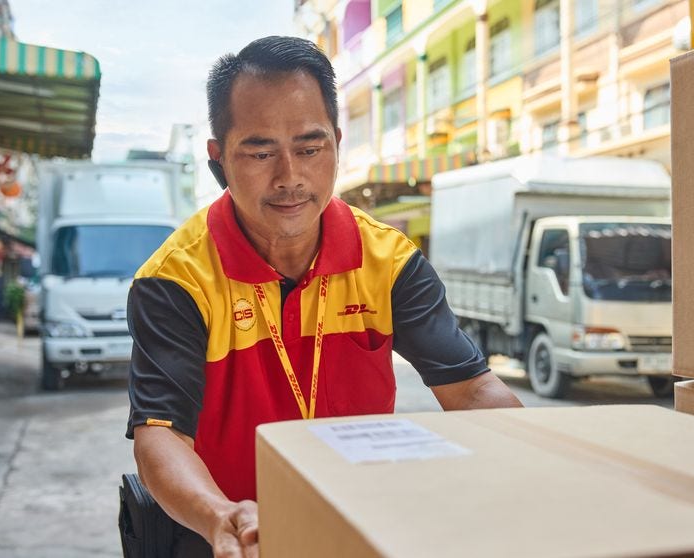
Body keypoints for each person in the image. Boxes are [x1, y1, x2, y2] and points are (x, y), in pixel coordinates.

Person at [126, 36, 522, 558]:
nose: (289, 177)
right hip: (228, 535)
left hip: (360, 527)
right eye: (260, 151)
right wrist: (221, 516)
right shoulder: (176, 280)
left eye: (310, 149)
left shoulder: (390, 262)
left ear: (336, 142)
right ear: (218, 157)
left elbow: (471, 392)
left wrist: (536, 458)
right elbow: (161, 436)